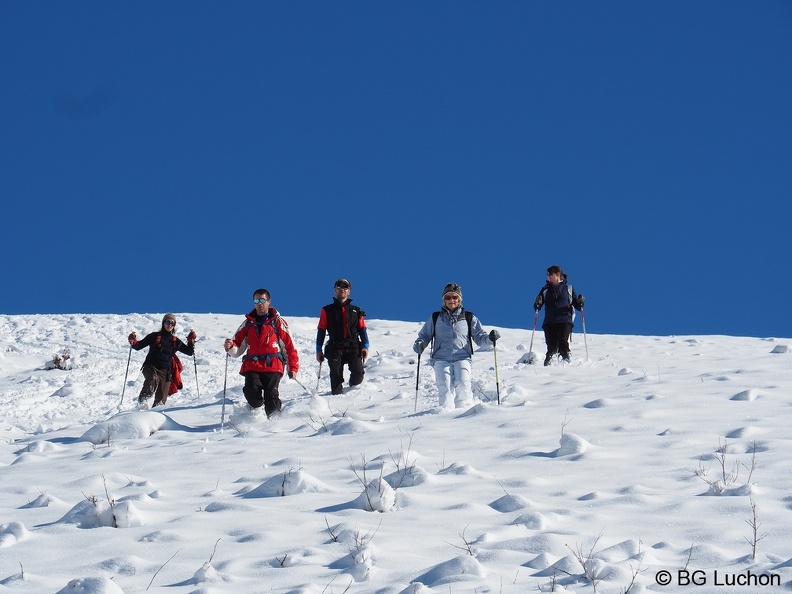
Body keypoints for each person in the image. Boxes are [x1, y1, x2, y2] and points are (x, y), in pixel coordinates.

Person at [413, 283, 500, 410]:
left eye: (454, 297)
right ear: (444, 300)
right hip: (441, 358)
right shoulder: (436, 318)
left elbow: (480, 337)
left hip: (462, 357)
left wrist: (490, 339)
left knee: (463, 384)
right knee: (445, 386)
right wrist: (420, 344)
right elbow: (425, 334)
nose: (451, 300)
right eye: (448, 298)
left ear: (459, 299)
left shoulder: (469, 317)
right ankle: (445, 413)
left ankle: (464, 415)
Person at [224, 288, 299, 418]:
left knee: (271, 395)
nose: (259, 303)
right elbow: (237, 347)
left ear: (268, 301)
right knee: (251, 392)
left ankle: (275, 424)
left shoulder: (277, 322)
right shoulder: (248, 323)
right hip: (253, 365)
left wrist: (292, 368)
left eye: (262, 300)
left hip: (273, 365)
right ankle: (256, 410)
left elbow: (289, 346)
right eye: (256, 300)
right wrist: (230, 347)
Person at [128, 313, 196, 407]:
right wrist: (133, 341)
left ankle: (155, 414)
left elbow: (189, 352)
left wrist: (190, 341)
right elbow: (138, 346)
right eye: (168, 322)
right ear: (163, 323)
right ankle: (143, 400)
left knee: (161, 400)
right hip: (151, 367)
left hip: (166, 373)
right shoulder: (154, 336)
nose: (170, 325)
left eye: (172, 323)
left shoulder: (175, 341)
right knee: (152, 379)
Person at [315, 278, 370, 395]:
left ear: (349, 291)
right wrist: (318, 350)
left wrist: (365, 346)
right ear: (335, 290)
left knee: (358, 374)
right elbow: (321, 330)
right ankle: (336, 400)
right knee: (335, 377)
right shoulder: (327, 310)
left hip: (353, 346)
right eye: (339, 287)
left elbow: (362, 329)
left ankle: (351, 393)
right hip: (335, 346)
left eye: (345, 287)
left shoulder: (357, 310)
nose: (342, 290)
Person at [533, 265, 585, 366]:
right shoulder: (545, 290)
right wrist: (537, 303)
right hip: (549, 321)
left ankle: (566, 358)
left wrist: (579, 302)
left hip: (564, 319)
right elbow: (537, 307)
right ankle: (549, 362)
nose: (549, 277)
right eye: (548, 275)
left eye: (550, 275)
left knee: (562, 340)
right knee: (551, 344)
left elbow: (577, 305)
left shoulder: (569, 288)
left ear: (558, 274)